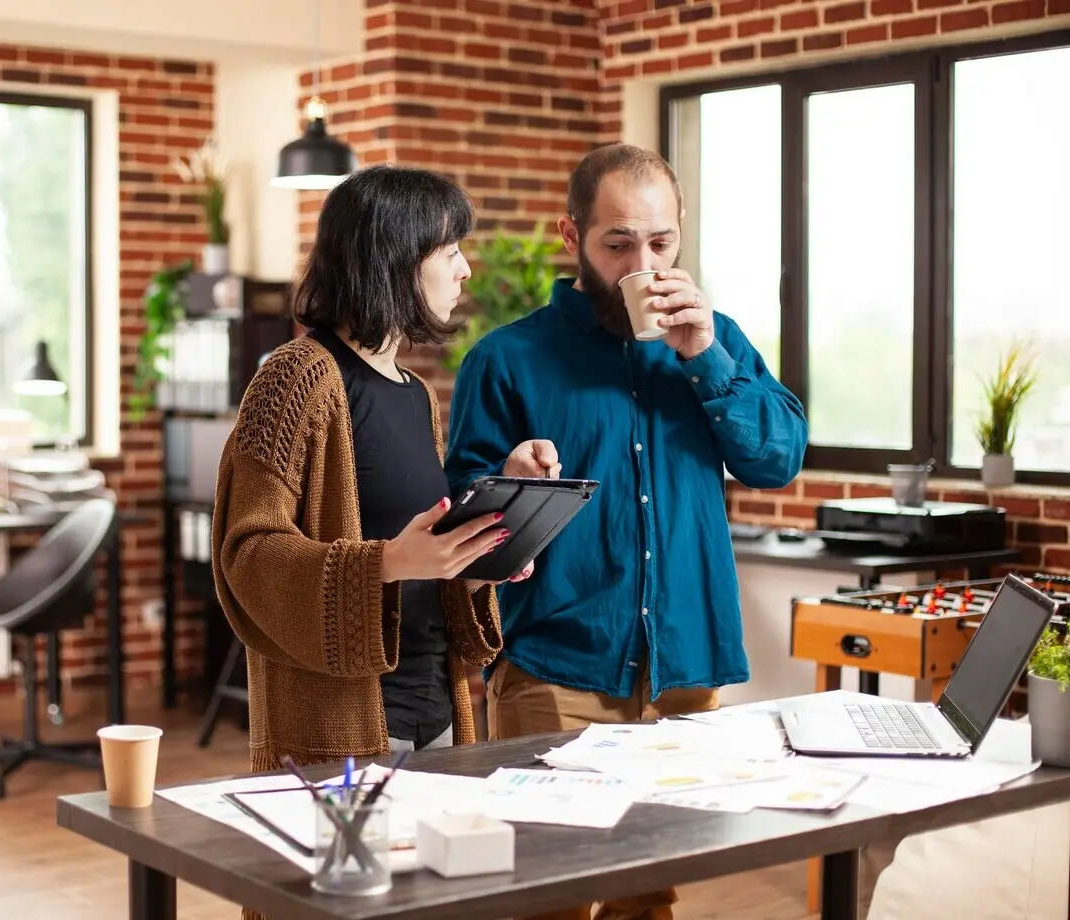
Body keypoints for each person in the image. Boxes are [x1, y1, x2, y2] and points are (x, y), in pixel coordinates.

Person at [444, 143, 808, 920]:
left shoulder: (720, 340)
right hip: (557, 667)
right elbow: (458, 524)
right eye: (618, 244)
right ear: (571, 239)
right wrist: (506, 479)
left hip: (684, 667)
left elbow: (776, 460)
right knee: (550, 896)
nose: (642, 262)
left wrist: (706, 360)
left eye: (661, 242)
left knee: (648, 898)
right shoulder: (505, 360)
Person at [211, 165, 527, 840]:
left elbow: (419, 559)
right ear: (397, 260)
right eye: (450, 253)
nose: (465, 271)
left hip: (434, 706)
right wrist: (384, 561)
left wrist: (477, 558)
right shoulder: (293, 380)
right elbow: (247, 553)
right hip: (340, 723)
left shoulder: (418, 395)